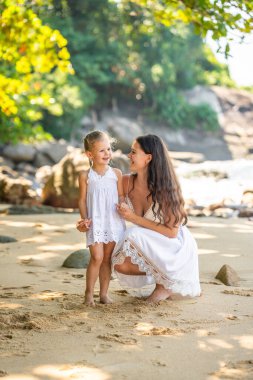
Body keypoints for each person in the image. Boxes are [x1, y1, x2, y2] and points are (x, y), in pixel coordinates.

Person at [112, 134, 201, 303]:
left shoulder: (167, 189)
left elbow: (173, 232)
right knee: (117, 261)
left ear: (148, 158)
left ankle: (165, 284)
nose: (128, 156)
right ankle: (166, 278)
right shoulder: (125, 182)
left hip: (175, 246)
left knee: (132, 234)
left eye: (133, 152)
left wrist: (133, 218)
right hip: (149, 243)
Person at [76, 131, 125, 306]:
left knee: (107, 258)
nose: (107, 154)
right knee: (96, 257)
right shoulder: (85, 176)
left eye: (109, 149)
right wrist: (85, 219)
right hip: (94, 222)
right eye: (101, 151)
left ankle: (103, 294)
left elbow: (120, 196)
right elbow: (81, 200)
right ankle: (89, 293)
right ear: (90, 155)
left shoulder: (116, 174)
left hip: (113, 221)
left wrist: (123, 205)